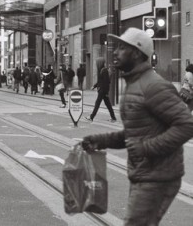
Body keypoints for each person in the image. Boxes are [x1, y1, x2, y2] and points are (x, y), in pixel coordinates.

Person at [81, 27, 193, 226]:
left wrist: (146, 148)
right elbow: (136, 132)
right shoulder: (135, 84)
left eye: (122, 48)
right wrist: (101, 141)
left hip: (159, 176)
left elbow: (186, 125)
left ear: (136, 53)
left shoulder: (154, 85)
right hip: (144, 173)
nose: (114, 52)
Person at [85, 58, 117, 122]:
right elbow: (100, 81)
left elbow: (106, 82)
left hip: (102, 91)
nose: (105, 64)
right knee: (108, 105)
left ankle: (91, 117)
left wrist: (106, 92)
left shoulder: (104, 70)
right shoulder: (102, 70)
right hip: (103, 91)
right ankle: (113, 118)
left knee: (97, 104)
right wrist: (94, 86)